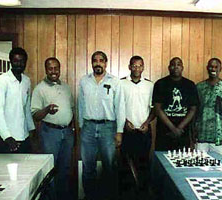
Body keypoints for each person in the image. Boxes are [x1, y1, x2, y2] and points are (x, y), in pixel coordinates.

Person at [78, 51, 125, 200]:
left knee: (109, 167)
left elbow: (120, 108)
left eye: (101, 60)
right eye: (95, 60)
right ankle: (89, 196)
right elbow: (80, 105)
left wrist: (119, 131)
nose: (98, 63)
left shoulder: (115, 81)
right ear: (91, 63)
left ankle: (109, 196)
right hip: (88, 128)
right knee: (88, 167)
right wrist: (81, 126)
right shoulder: (84, 81)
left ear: (106, 63)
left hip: (108, 128)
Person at [31, 57, 75, 199]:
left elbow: (72, 110)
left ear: (60, 69)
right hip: (50, 133)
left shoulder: (66, 87)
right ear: (46, 70)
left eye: (56, 68)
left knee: (65, 169)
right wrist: (47, 109)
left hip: (67, 133)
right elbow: (36, 116)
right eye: (50, 68)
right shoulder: (39, 89)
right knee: (50, 170)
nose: (54, 71)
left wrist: (73, 131)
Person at [120, 56, 155, 193]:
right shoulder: (121, 83)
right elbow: (117, 107)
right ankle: (127, 193)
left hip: (144, 130)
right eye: (134, 66)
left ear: (143, 68)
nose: (137, 68)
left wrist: (147, 123)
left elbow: (154, 108)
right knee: (125, 164)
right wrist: (125, 121)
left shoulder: (149, 85)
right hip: (126, 130)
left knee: (144, 163)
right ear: (129, 67)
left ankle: (143, 193)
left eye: (140, 66)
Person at [0, 47, 35, 153]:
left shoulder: (26, 81)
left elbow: (26, 108)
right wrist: (7, 136)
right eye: (16, 61)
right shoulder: (2, 80)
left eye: (22, 61)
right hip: (5, 138)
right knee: (4, 169)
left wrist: (31, 128)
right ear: (11, 61)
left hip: (23, 135)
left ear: (25, 62)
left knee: (25, 168)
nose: (19, 64)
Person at [152, 57, 199, 151]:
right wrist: (173, 128)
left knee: (181, 160)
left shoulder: (190, 85)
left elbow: (193, 109)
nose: (176, 67)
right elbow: (157, 109)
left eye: (178, 64)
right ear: (169, 67)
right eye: (173, 64)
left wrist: (179, 128)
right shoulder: (160, 84)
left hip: (183, 131)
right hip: (164, 131)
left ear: (182, 67)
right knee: (162, 160)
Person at [195, 58, 222, 155]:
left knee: (218, 167)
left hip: (219, 137)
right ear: (207, 68)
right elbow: (194, 111)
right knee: (199, 167)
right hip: (201, 135)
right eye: (211, 66)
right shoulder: (199, 87)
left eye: (216, 67)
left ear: (220, 69)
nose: (213, 69)